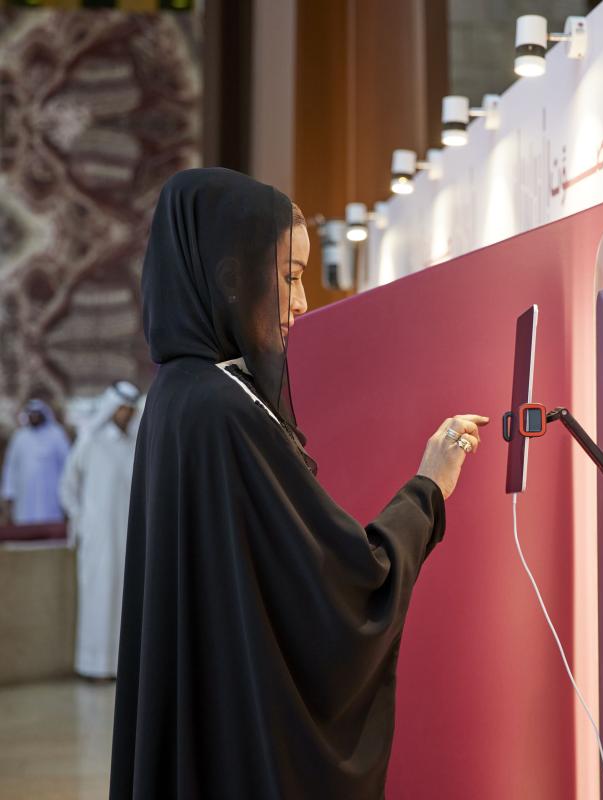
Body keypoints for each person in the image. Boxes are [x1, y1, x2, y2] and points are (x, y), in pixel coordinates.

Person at [109, 168, 489, 799]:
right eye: (288, 276)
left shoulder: (179, 395)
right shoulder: (221, 408)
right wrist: (429, 487)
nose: (303, 302)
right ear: (233, 279)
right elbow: (340, 586)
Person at [59, 381, 141, 679]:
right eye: (121, 408)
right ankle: (93, 666)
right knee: (99, 597)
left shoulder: (136, 444)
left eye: (130, 409)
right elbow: (67, 486)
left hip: (129, 536)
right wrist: (82, 520)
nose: (126, 414)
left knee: (125, 599)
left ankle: (121, 667)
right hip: (98, 537)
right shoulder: (91, 441)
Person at [1, 399, 70, 525]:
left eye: (36, 414)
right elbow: (11, 466)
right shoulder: (20, 437)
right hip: (25, 493)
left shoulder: (56, 435)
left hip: (51, 491)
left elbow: (67, 465)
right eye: (31, 414)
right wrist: (9, 492)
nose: (34, 417)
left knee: (50, 522)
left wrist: (68, 491)